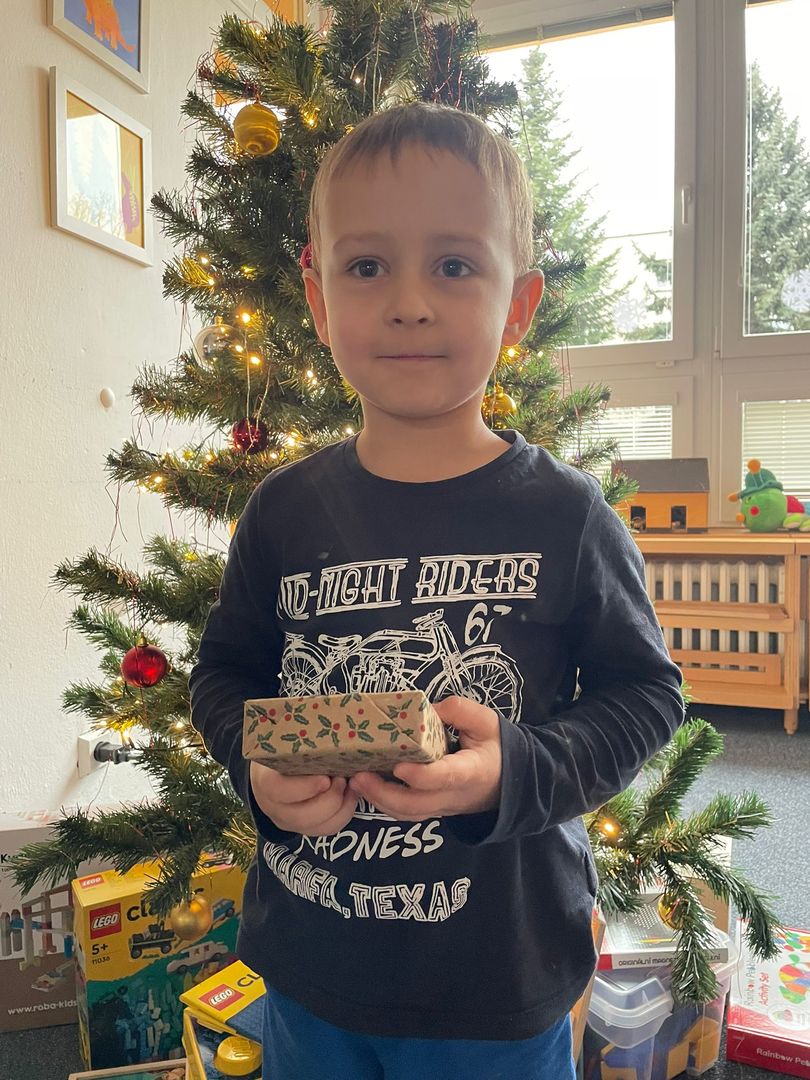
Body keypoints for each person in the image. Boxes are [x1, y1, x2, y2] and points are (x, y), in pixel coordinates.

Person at [189, 101, 685, 1080]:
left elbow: (646, 696)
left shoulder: (568, 515)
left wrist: (518, 770)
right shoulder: (283, 510)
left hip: (496, 984)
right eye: (368, 267)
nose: (409, 302)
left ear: (518, 305)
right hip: (310, 969)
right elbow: (223, 675)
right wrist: (256, 765)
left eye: (454, 266)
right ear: (318, 298)